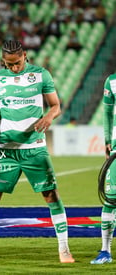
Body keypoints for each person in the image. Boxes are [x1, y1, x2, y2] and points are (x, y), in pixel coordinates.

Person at [0, 40, 75, 264]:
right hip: (5, 150)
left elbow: (56, 105)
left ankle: (64, 249)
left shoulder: (41, 75)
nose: (14, 68)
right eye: (9, 64)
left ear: (25, 55)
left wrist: (49, 116)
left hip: (34, 148)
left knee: (51, 194)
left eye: (17, 62)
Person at [90, 73, 116, 265]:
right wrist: (107, 140)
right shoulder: (111, 81)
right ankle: (105, 251)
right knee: (110, 198)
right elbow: (107, 113)